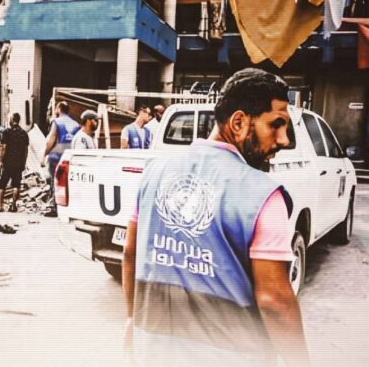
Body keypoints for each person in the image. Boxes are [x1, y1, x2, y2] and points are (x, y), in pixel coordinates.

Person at [123, 68, 308, 366]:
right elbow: (274, 302)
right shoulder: (263, 194)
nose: (284, 140)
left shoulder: (154, 173)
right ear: (239, 122)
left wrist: (132, 321)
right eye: (276, 125)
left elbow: (130, 255)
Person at [42, 101, 80, 217]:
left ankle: (55, 207)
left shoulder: (56, 122)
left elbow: (50, 140)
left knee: (55, 181)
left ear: (58, 109)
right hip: (69, 157)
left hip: (56, 156)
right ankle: (68, 207)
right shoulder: (76, 124)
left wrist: (44, 155)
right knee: (68, 183)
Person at [0, 113, 29, 213]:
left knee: (2, 184)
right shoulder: (24, 133)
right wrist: (23, 162)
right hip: (19, 163)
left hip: (8, 162)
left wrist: (1, 160)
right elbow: (25, 150)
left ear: (12, 120)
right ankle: (13, 206)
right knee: (16, 184)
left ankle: (0, 206)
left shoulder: (7, 132)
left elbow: (3, 148)